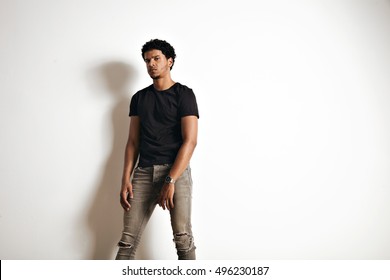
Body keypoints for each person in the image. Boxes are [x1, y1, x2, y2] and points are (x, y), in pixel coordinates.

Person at [115, 39, 199, 260]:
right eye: (147, 60)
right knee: (127, 242)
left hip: (176, 172)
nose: (151, 64)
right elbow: (132, 142)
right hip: (143, 173)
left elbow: (190, 141)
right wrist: (125, 179)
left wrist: (170, 180)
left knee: (182, 238)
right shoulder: (139, 98)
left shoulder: (184, 94)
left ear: (169, 61)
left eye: (156, 58)